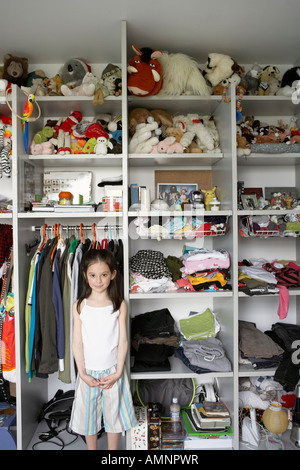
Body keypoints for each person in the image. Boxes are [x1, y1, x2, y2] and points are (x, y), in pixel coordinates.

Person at [69, 249, 137, 450]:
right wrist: (81, 372)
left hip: (113, 371)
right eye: (92, 275)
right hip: (88, 372)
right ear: (85, 276)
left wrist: (117, 372)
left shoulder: (118, 304)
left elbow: (123, 340)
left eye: (104, 274)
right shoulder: (79, 306)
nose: (98, 280)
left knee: (114, 415)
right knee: (89, 417)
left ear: (113, 275)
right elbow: (77, 342)